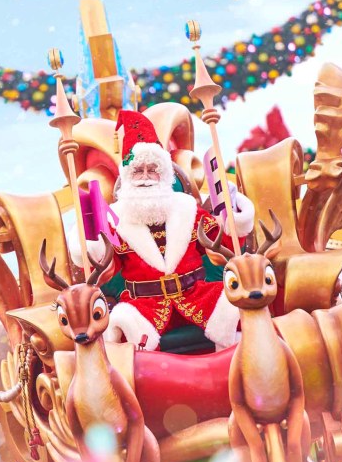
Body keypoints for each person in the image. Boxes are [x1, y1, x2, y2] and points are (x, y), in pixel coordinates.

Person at [82, 110, 255, 351]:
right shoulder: (116, 220)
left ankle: (238, 372)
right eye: (137, 171)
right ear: (128, 177)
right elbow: (105, 269)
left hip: (197, 296)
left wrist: (233, 216)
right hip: (144, 305)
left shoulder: (188, 208)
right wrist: (92, 246)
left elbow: (222, 242)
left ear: (164, 174)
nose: (145, 177)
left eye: (152, 170)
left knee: (238, 307)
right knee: (121, 330)